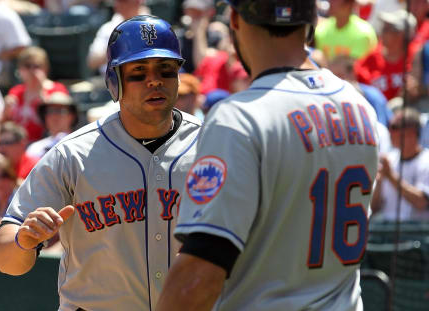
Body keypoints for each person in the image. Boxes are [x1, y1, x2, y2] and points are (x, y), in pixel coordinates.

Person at [156, 1, 379, 310]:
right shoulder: (360, 106)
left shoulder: (239, 117)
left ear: (234, 18)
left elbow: (199, 276)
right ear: (312, 21)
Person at [0, 15, 201, 311]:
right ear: (114, 82)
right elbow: (6, 260)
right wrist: (23, 242)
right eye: (138, 72)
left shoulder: (212, 146)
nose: (154, 80)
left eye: (166, 70)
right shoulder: (72, 154)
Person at [371, 107, 429, 221]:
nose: (390, 131)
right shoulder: (389, 159)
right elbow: (374, 207)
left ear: (412, 131)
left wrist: (391, 176)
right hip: (385, 231)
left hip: (417, 233)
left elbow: (421, 202)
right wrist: (379, 182)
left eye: (394, 127)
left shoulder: (426, 160)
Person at [4, 46, 69, 142]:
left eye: (37, 66)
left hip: (49, 143)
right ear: (20, 69)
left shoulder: (57, 89)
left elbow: (64, 122)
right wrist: (6, 110)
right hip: (20, 145)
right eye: (27, 66)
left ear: (45, 68)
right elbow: (6, 122)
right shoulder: (16, 92)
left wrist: (41, 92)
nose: (32, 70)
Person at [355, 10, 418, 101]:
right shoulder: (371, 59)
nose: (382, 33)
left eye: (387, 29)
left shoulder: (416, 56)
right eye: (383, 28)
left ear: (401, 35)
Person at [86, 0, 147, 76]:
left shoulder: (153, 26)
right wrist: (116, 47)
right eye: (117, 1)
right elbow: (92, 62)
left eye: (123, 1)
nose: (118, 4)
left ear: (138, 2)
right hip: (111, 82)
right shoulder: (107, 28)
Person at [25, 92, 79, 159]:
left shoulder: (80, 144)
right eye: (50, 111)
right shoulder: (35, 149)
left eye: (61, 111)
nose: (55, 116)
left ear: (72, 116)